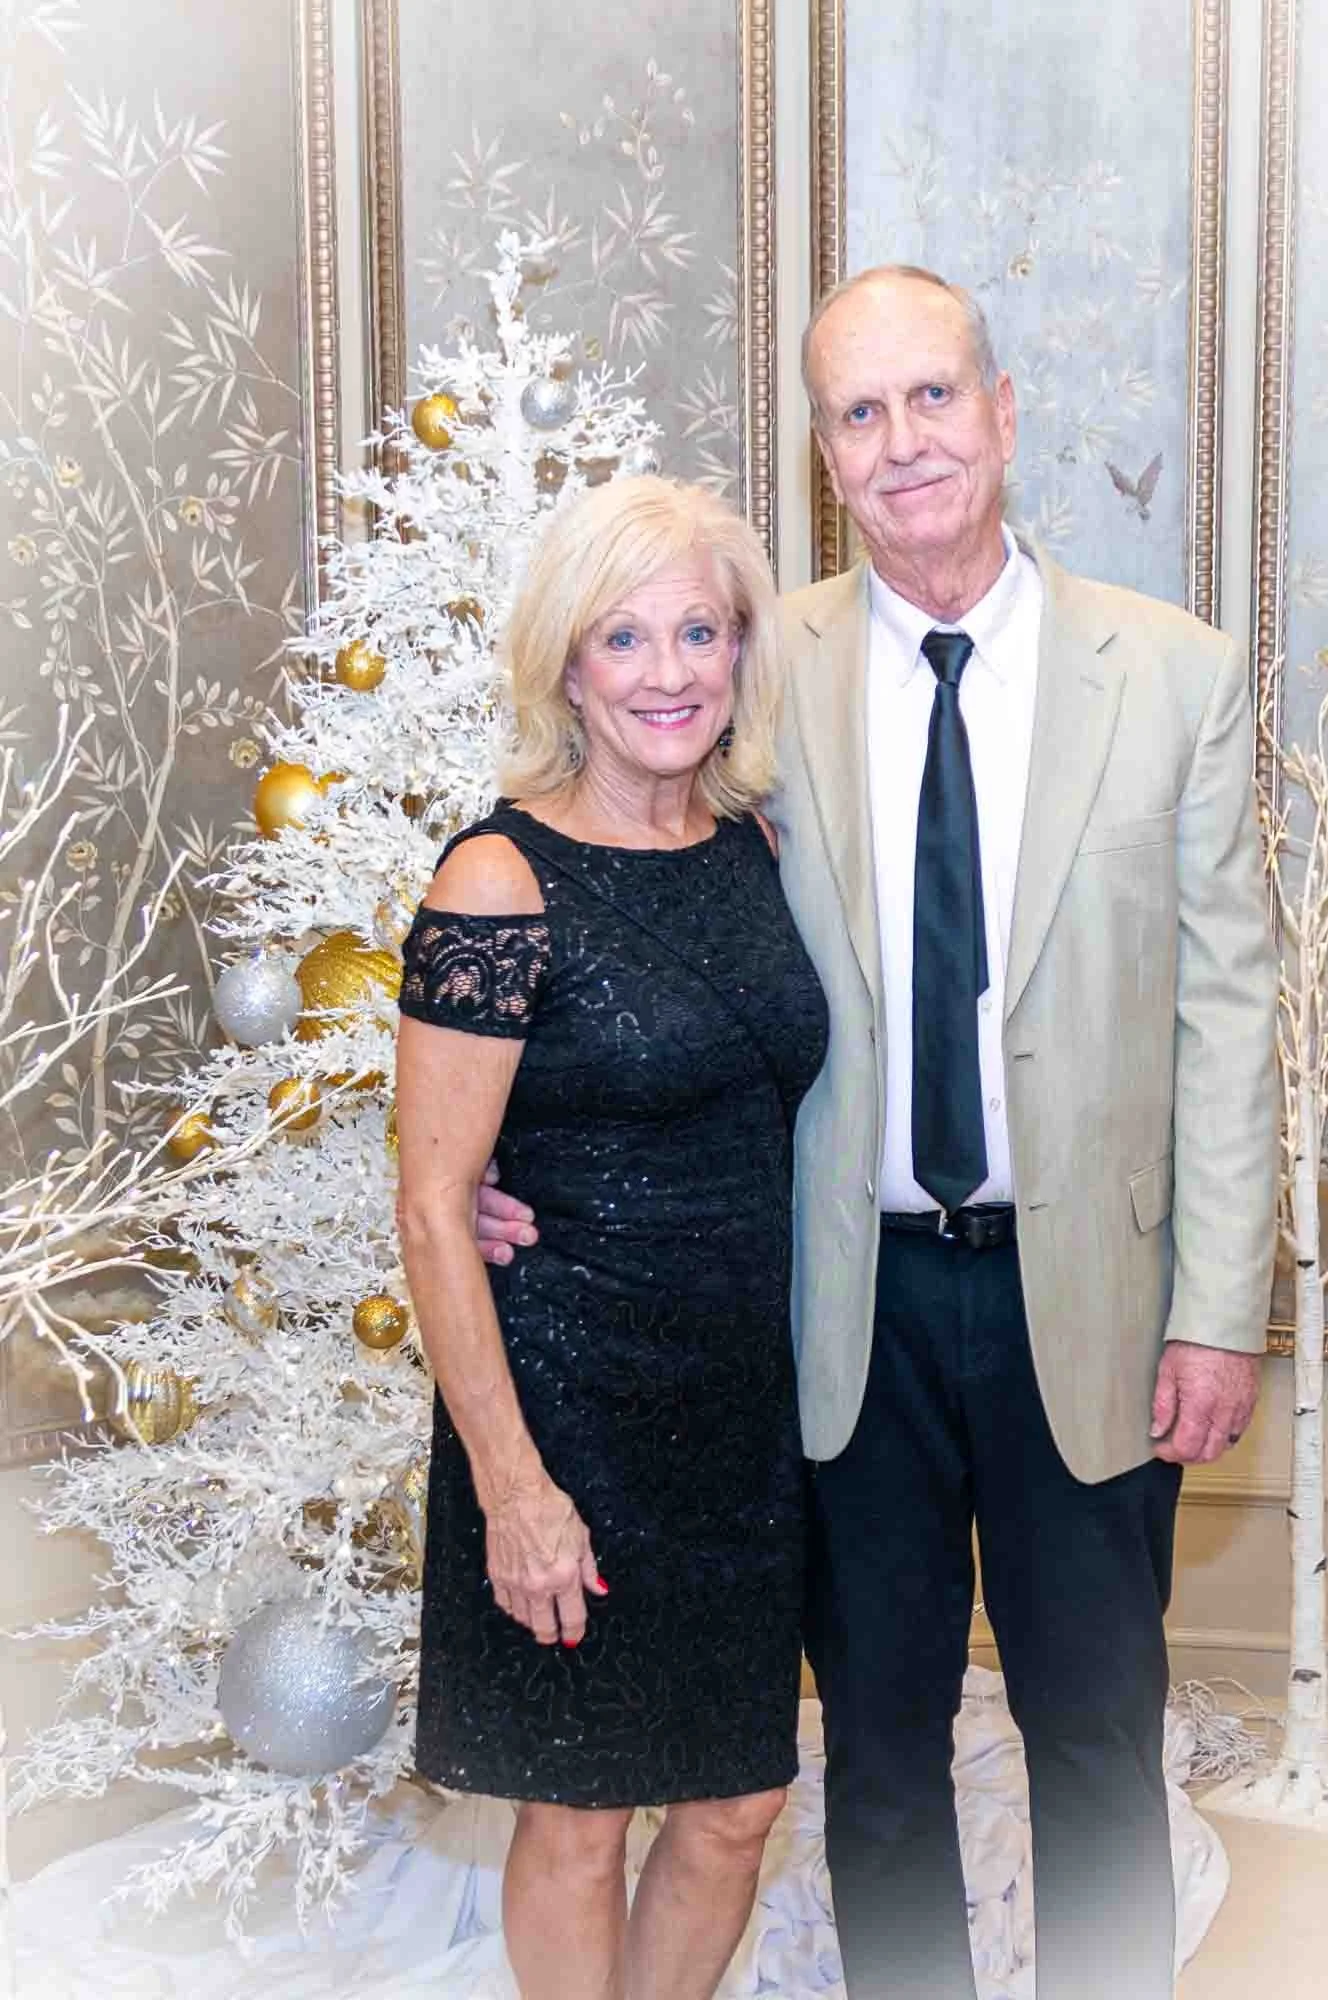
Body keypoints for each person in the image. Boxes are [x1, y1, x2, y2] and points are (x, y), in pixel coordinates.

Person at [478, 266, 1278, 2000]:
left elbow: (1232, 1015)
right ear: (826, 454)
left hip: (1100, 1310)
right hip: (840, 1316)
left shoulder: (1177, 677)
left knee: (1095, 1744)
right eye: (861, 413)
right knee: (883, 1764)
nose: (904, 443)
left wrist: (1221, 1304)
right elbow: (609, 908)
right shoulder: (756, 670)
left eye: (933, 399)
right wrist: (493, 1167)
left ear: (1002, 411)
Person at [395, 474, 828, 2000]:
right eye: (625, 637)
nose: (669, 672)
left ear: (740, 650)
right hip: (565, 1409)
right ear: (567, 666)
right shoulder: (499, 879)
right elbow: (438, 1201)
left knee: (736, 1803)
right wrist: (514, 1490)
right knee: (577, 1815)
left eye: (699, 630)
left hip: (738, 1418)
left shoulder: (761, 852)